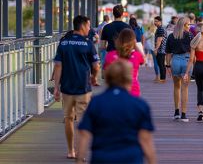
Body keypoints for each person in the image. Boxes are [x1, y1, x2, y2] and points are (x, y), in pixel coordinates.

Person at [77, 59, 156, 164]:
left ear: (108, 79)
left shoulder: (95, 102)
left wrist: (79, 160)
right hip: (131, 158)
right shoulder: (140, 105)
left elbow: (84, 134)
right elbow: (145, 139)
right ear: (129, 79)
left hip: (102, 158)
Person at [53, 15, 100, 159]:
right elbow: (96, 65)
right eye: (88, 25)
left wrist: (56, 87)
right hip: (83, 87)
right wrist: (94, 77)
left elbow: (58, 66)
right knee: (82, 121)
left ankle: (70, 151)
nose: (90, 28)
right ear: (83, 25)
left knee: (68, 119)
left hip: (66, 87)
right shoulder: (87, 44)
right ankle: (80, 152)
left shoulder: (64, 43)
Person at [165, 17, 193, 122]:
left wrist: (167, 66)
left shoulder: (171, 36)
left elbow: (167, 53)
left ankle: (176, 112)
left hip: (175, 60)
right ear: (184, 25)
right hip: (186, 60)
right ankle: (184, 114)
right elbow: (193, 51)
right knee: (185, 88)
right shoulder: (190, 36)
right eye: (188, 25)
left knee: (176, 87)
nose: (189, 27)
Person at [104, 29, 145, 97]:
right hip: (133, 90)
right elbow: (143, 59)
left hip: (114, 91)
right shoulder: (136, 55)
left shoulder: (110, 55)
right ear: (133, 41)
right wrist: (135, 45)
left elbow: (105, 73)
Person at [154, 16, 167, 82]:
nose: (154, 22)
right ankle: (163, 78)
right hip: (162, 49)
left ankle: (162, 79)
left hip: (161, 49)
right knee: (161, 64)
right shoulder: (160, 28)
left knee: (161, 64)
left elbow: (159, 39)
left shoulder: (160, 29)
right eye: (154, 21)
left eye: (156, 21)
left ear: (160, 22)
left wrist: (156, 49)